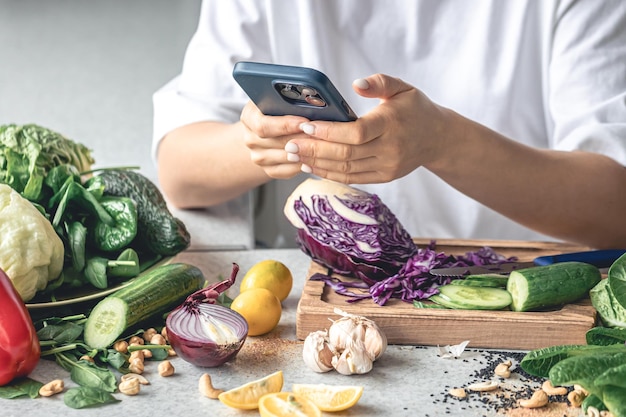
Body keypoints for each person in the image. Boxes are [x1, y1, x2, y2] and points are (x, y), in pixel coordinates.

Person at [152, 0, 626, 249]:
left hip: (532, 285)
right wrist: (270, 139)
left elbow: (615, 206)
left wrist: (443, 143)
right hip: (342, 294)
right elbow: (179, 170)